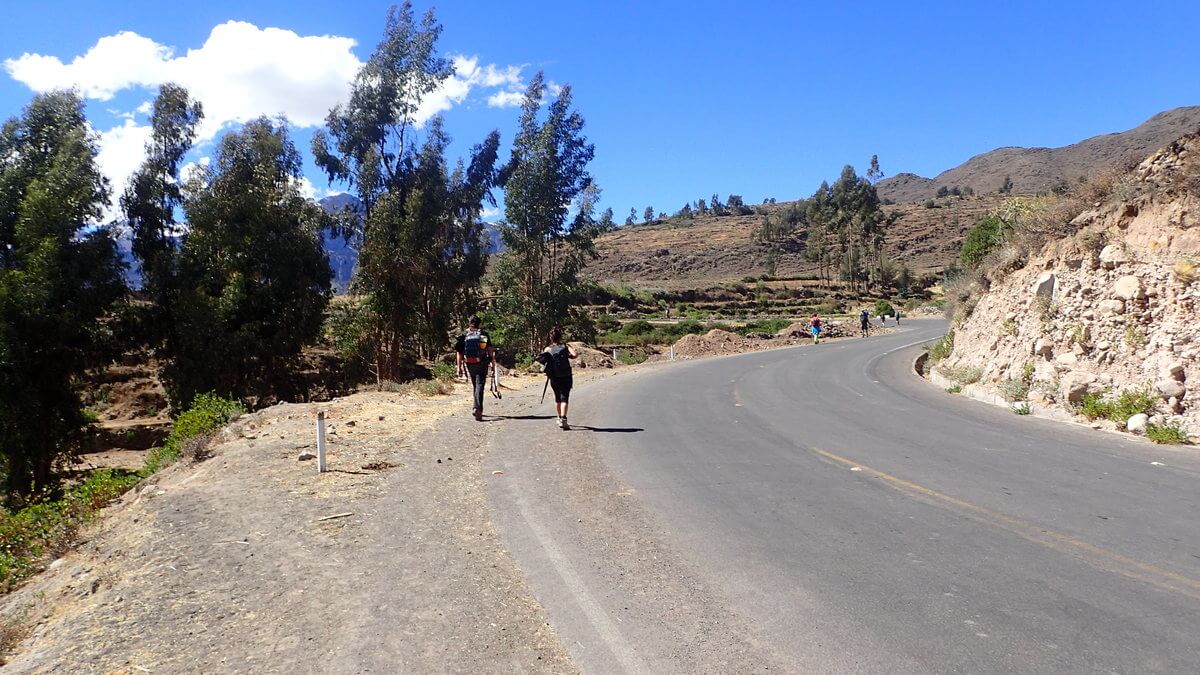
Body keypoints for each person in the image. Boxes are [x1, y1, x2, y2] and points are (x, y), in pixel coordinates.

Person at [536, 328, 578, 430]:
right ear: (560, 336)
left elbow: (542, 360)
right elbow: (575, 355)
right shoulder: (565, 346)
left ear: (551, 338)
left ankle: (559, 417)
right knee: (565, 398)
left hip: (554, 377)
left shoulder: (548, 349)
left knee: (557, 398)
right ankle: (564, 419)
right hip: (566, 375)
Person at [455, 316, 495, 421]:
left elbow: (459, 353)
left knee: (475, 385)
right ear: (479, 324)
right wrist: (492, 364)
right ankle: (477, 408)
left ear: (469, 323)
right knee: (479, 385)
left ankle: (475, 406)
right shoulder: (483, 335)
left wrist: (459, 367)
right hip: (481, 362)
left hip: (469, 363)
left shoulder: (464, 335)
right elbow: (489, 350)